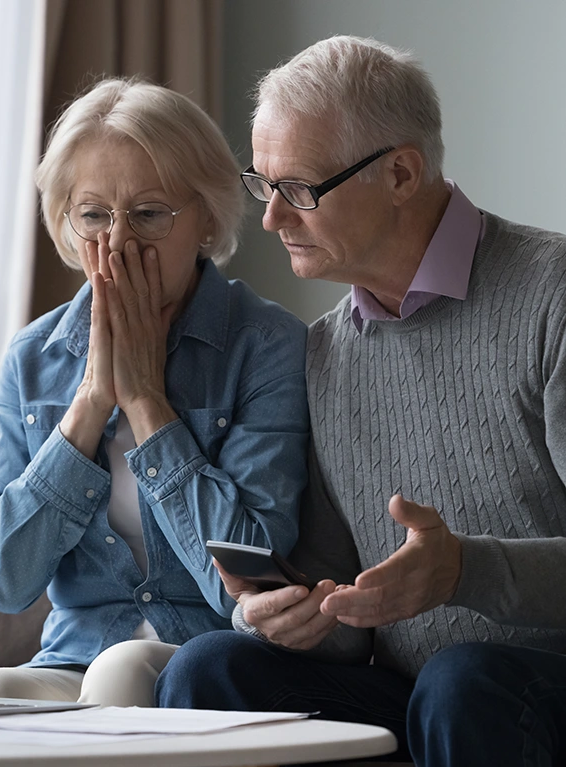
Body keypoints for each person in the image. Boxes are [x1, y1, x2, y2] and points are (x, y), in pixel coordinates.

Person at [154, 36, 566, 766]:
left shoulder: (550, 297)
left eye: (300, 190)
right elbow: (345, 614)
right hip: (423, 693)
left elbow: (463, 603)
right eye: (264, 185)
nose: (274, 220)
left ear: (401, 172)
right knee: (207, 666)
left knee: (460, 678)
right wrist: (289, 612)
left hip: (528, 684)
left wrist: (464, 569)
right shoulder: (322, 351)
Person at [0, 78, 309, 707]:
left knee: (118, 675)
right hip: (76, 651)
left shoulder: (267, 346)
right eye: (94, 215)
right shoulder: (33, 360)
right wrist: (91, 403)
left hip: (205, 652)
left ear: (204, 216)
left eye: (149, 214)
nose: (117, 243)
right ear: (67, 224)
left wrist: (148, 404)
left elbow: (247, 579)